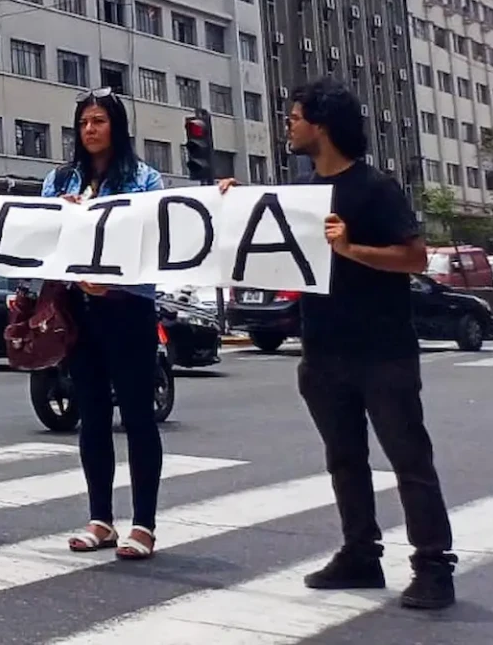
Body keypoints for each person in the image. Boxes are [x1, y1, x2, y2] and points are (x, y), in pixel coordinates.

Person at [220, 75, 454, 610]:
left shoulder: (375, 188)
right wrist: (231, 203)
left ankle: (434, 566)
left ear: (321, 124)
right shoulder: (299, 191)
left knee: (407, 458)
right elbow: (257, 238)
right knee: (343, 458)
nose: (288, 125)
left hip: (382, 350)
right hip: (322, 349)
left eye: (295, 117)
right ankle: (360, 554)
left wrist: (351, 250)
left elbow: (415, 258)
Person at [41, 90, 166, 562]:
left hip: (127, 307)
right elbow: (43, 241)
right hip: (77, 310)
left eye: (98, 121)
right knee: (90, 413)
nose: (90, 129)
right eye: (83, 122)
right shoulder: (59, 180)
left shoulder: (144, 179)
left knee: (136, 415)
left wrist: (110, 283)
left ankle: (144, 524)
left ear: (116, 125)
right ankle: (100, 518)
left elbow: (153, 240)